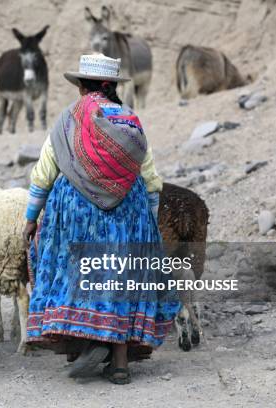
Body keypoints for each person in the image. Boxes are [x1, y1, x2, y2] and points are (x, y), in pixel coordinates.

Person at [23, 54, 180, 384]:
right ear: (111, 86)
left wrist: (31, 217)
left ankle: (81, 340)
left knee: (68, 268)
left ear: (81, 86)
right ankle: (120, 361)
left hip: (76, 211)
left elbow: (44, 173)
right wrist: (149, 219)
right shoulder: (131, 120)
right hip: (129, 210)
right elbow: (150, 176)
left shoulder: (69, 120)